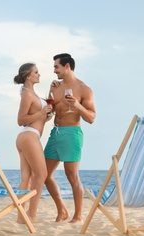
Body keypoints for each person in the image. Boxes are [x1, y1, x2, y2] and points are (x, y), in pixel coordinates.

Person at [44, 53, 96, 223]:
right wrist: (49, 107)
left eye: (56, 67)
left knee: (72, 175)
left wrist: (77, 105)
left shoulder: (84, 89)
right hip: (55, 133)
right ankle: (62, 210)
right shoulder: (55, 87)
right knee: (44, 174)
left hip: (72, 133)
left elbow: (91, 118)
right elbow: (51, 110)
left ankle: (78, 216)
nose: (54, 71)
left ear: (67, 66)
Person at [14, 62, 53, 223]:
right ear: (28, 76)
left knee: (27, 178)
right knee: (41, 174)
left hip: (28, 137)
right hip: (29, 135)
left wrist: (46, 115)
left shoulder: (31, 93)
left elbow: (38, 114)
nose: (39, 75)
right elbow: (21, 120)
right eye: (36, 72)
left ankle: (20, 217)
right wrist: (42, 112)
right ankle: (31, 215)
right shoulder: (27, 94)